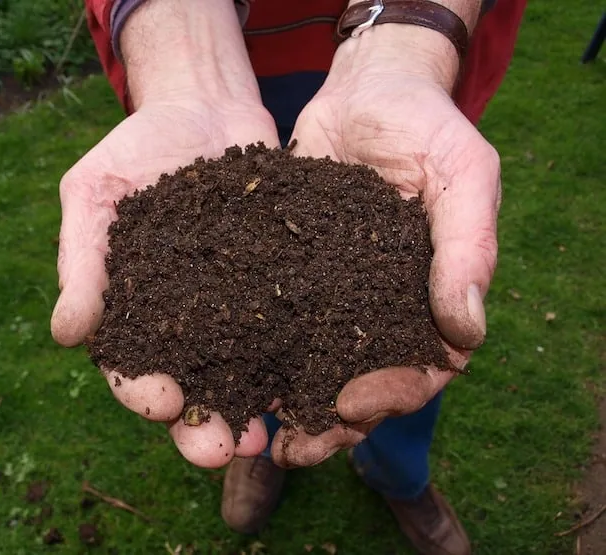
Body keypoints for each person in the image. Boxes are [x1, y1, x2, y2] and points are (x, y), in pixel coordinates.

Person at [51, 1, 527, 553]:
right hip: (234, 49)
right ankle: (261, 445)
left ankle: (399, 478)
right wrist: (186, 59)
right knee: (264, 374)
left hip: (412, 51)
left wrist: (406, 43)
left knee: (407, 343)